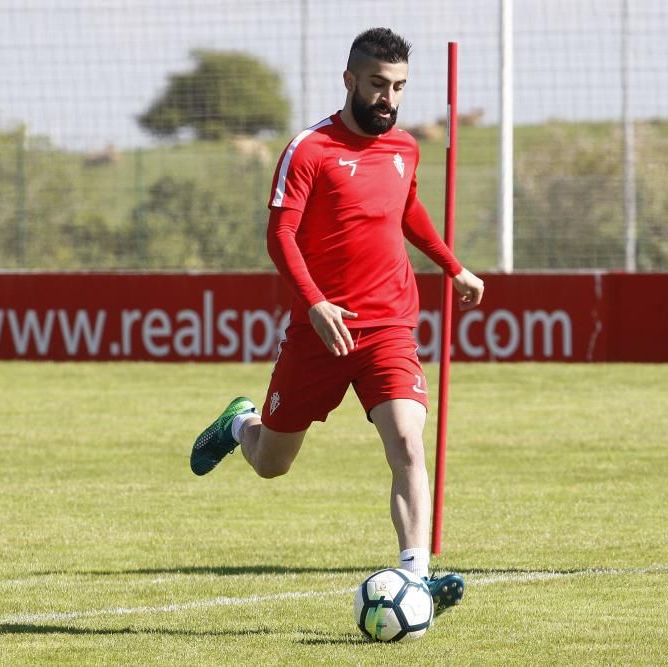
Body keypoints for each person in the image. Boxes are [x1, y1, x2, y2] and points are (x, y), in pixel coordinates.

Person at [190, 27, 484, 612]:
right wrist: (316, 304)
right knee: (273, 463)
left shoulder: (404, 148)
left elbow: (408, 211)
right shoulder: (309, 149)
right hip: (320, 329)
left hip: (390, 325)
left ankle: (416, 576)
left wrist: (452, 266)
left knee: (406, 440)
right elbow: (280, 235)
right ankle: (240, 425)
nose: (389, 98)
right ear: (350, 79)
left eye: (399, 87)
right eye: (378, 84)